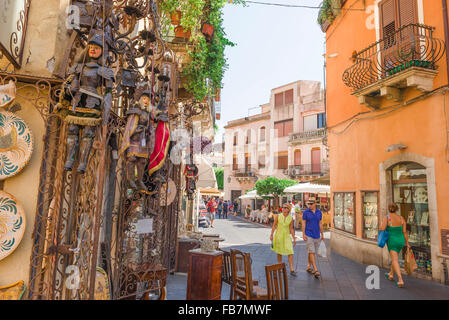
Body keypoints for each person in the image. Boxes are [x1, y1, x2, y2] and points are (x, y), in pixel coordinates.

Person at [379, 202, 410, 288]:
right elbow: (404, 232)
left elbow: (382, 228)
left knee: (395, 260)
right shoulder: (401, 218)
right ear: (397, 209)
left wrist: (381, 223)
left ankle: (400, 280)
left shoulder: (387, 218)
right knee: (394, 257)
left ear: (389, 209)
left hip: (392, 241)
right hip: (401, 241)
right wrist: (407, 243)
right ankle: (391, 274)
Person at [270, 203, 297, 276]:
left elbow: (291, 228)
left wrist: (294, 238)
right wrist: (271, 234)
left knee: (290, 252)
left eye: (285, 208)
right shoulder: (278, 216)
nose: (284, 209)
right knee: (279, 252)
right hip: (278, 236)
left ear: (288, 209)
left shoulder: (290, 218)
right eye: (283, 207)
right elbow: (274, 226)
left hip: (287, 237)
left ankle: (291, 269)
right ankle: (279, 266)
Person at [302, 198, 324, 278]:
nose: (310, 205)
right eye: (308, 204)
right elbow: (303, 224)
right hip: (309, 234)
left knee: (311, 251)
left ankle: (308, 266)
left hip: (317, 234)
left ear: (315, 204)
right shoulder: (306, 212)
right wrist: (303, 234)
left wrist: (322, 234)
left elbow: (320, 223)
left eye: (311, 203)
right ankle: (315, 269)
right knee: (312, 251)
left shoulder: (319, 212)